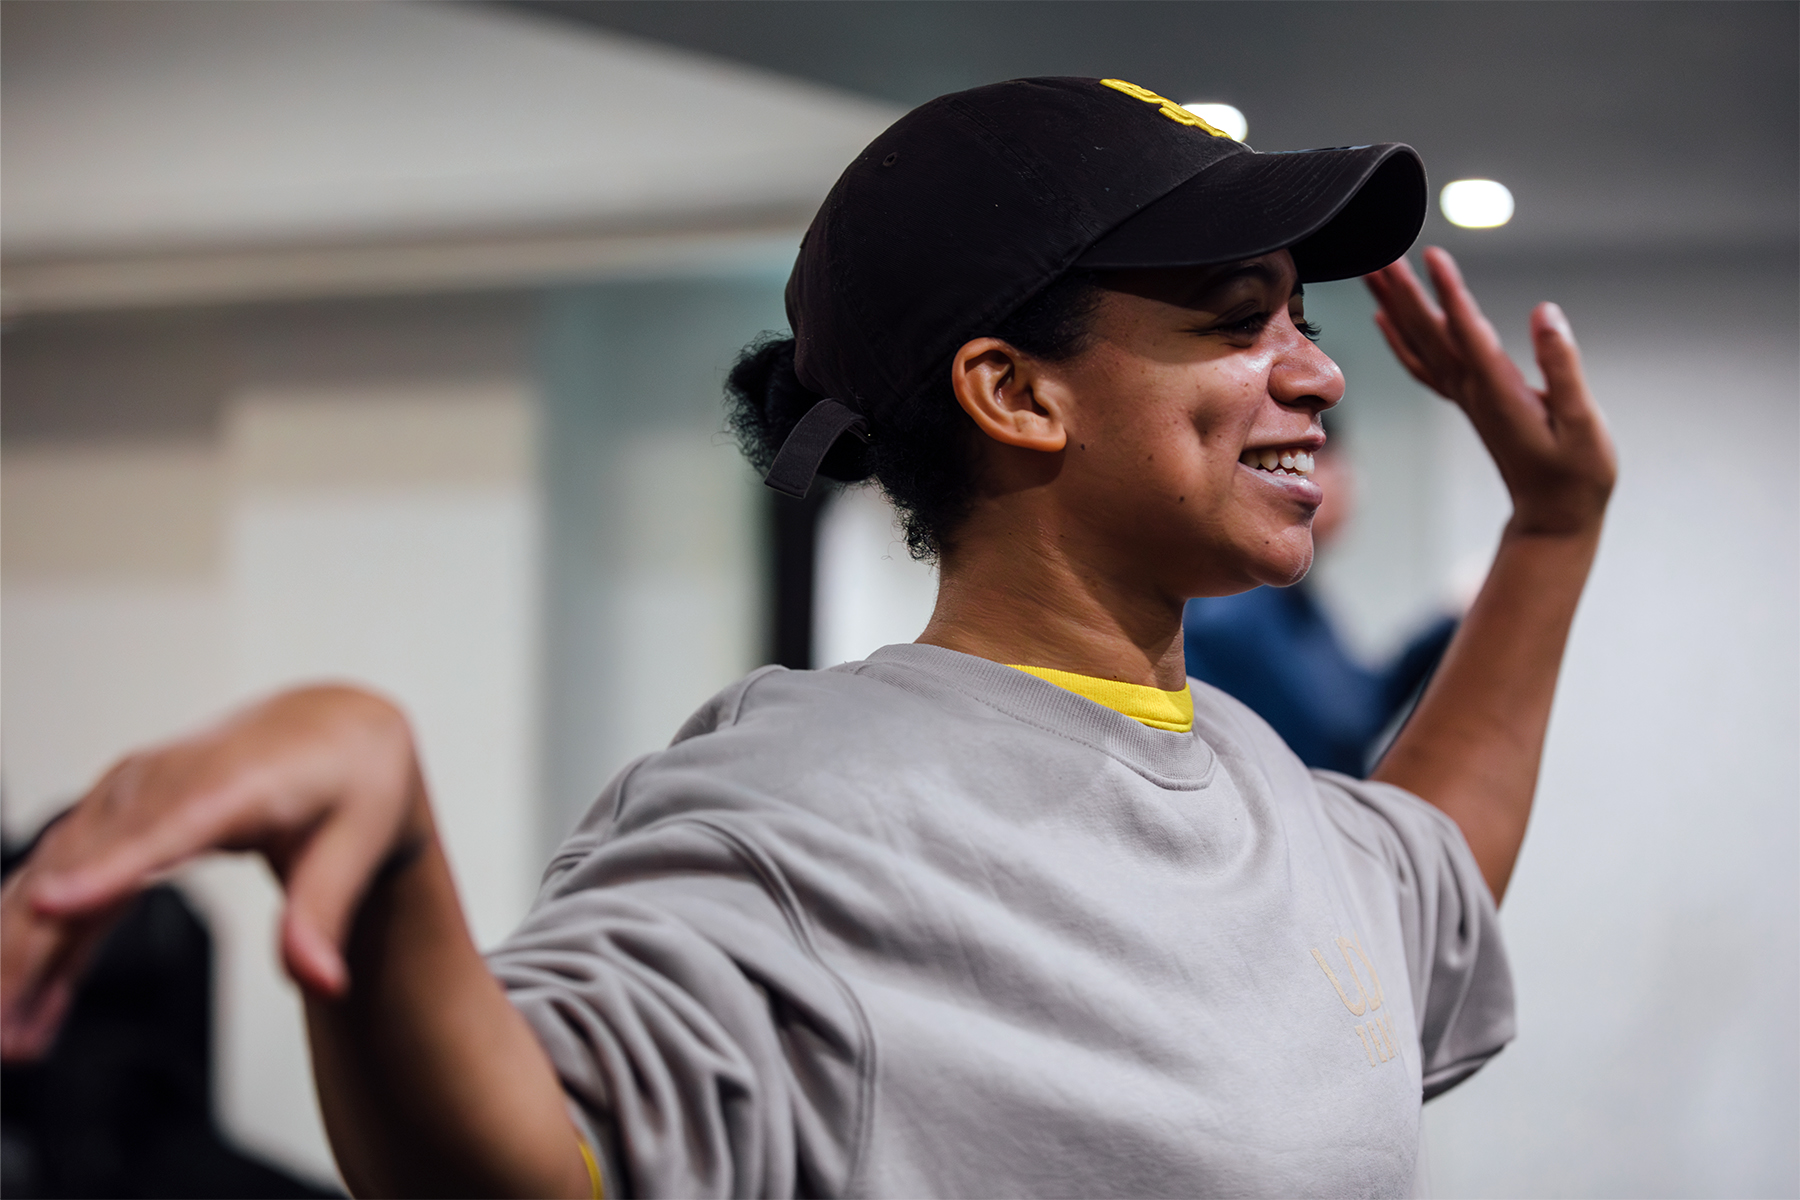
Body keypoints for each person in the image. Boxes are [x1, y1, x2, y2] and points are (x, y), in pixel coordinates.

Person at [0, 77, 1615, 1198]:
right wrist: (397, 851)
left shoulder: (1251, 771)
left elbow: (1424, 877)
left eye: (1304, 320)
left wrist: (1550, 535)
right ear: (1016, 393)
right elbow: (531, 1152)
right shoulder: (808, 798)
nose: (1316, 373)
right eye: (1233, 319)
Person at [1182, 440, 1460, 776]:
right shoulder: (1229, 613)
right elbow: (1337, 727)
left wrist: (1449, 617)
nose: (1348, 485)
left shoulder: (1298, 599)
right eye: (1331, 467)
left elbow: (1363, 704)